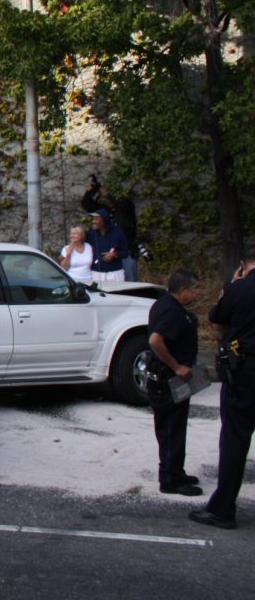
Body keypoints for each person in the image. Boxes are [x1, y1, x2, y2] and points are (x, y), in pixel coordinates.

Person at [190, 251, 255, 530]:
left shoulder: (238, 289)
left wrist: (230, 286)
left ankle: (223, 509)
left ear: (244, 266)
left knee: (234, 441)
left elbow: (217, 322)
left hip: (245, 373)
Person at [146, 269, 203, 496]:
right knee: (170, 429)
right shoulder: (171, 311)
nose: (197, 293)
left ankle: (176, 471)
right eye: (194, 289)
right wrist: (177, 366)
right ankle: (170, 479)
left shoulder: (166, 305)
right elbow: (155, 340)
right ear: (183, 290)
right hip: (167, 381)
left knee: (175, 428)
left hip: (171, 379)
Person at [82, 176, 140, 280]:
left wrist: (108, 196)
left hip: (126, 252)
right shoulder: (105, 212)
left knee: (130, 282)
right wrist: (90, 192)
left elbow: (123, 205)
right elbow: (88, 206)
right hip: (107, 254)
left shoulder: (126, 208)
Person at [85, 208, 128, 282]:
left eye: (96, 219)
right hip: (96, 273)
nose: (93, 221)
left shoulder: (118, 232)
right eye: (93, 219)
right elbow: (78, 241)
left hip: (115, 273)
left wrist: (114, 255)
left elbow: (125, 253)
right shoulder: (90, 234)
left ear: (104, 220)